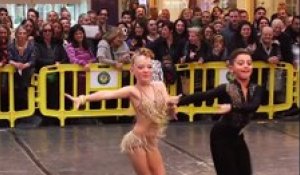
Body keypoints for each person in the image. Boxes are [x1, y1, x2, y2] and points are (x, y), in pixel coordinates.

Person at [66, 48, 177, 175]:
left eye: (149, 67)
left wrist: (172, 108)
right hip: (136, 143)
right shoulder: (132, 91)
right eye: (140, 67)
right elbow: (108, 94)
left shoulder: (160, 86)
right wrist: (83, 98)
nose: (146, 70)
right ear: (132, 70)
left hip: (152, 142)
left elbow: (168, 107)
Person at [170, 48, 263, 175]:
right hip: (221, 137)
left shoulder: (256, 89)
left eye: (249, 63)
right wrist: (178, 102)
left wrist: (231, 107)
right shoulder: (226, 89)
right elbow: (203, 96)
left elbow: (253, 106)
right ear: (231, 68)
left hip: (238, 137)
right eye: (240, 63)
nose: (246, 66)